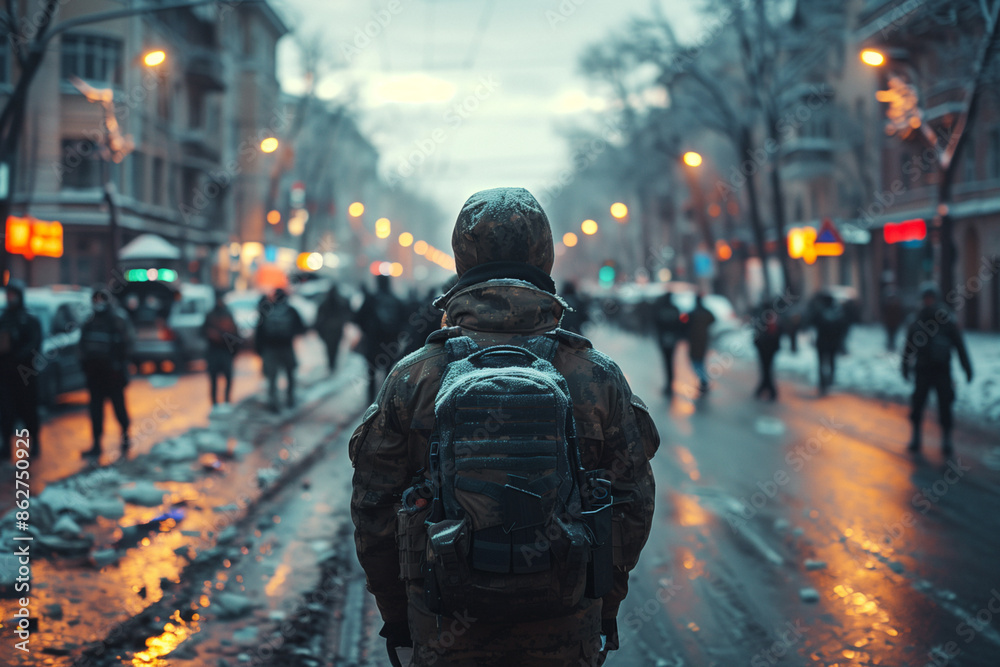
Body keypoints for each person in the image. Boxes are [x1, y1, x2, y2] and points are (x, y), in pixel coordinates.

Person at [350, 187, 658, 667]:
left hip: (445, 630)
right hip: (565, 630)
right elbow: (632, 506)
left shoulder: (414, 375)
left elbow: (374, 512)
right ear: (545, 255)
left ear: (461, 259)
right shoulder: (595, 374)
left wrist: (401, 615)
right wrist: (602, 603)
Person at [901, 283, 973, 456]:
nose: (928, 302)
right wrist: (905, 366)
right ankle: (916, 437)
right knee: (918, 404)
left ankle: (946, 440)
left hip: (942, 370)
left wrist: (967, 367)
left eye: (931, 298)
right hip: (923, 370)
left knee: (945, 405)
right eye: (926, 299)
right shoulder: (917, 320)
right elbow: (908, 347)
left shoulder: (947, 319)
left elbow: (959, 345)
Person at [80, 289, 133, 458]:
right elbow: (82, 346)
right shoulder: (89, 321)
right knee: (96, 411)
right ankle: (96, 444)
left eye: (101, 299)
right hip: (95, 375)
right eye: (95, 299)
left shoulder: (117, 320)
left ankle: (125, 438)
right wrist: (86, 366)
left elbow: (128, 343)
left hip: (113, 375)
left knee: (119, 408)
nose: (98, 303)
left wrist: (118, 365)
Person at [0, 280, 43, 459]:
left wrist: (20, 355)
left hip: (24, 374)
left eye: (14, 295)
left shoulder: (29, 320)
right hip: (5, 373)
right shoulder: (4, 318)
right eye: (9, 295)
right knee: (6, 412)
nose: (11, 299)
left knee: (28, 410)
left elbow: (35, 344)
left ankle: (34, 442)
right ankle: (6, 448)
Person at [353, 274, 406, 403]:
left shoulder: (371, 300)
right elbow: (405, 321)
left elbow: (357, 318)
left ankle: (370, 403)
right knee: (389, 375)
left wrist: (368, 331)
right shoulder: (396, 300)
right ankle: (385, 402)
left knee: (371, 375)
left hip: (373, 343)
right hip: (390, 343)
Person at [255, 288, 305, 412]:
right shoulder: (291, 310)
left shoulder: (266, 310)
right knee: (290, 375)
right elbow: (302, 328)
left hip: (270, 349)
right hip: (286, 347)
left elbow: (259, 331)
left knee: (272, 378)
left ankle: (273, 402)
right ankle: (290, 399)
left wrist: (259, 349)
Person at [202, 291, 238, 406]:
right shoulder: (212, 314)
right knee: (214, 379)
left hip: (224, 350)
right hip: (215, 350)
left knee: (226, 377)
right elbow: (203, 332)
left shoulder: (226, 314)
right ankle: (215, 403)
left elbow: (234, 334)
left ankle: (226, 400)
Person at [652, 291, 684, 396]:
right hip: (672, 339)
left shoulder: (660, 309)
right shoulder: (675, 309)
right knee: (671, 361)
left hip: (663, 340)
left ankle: (668, 384)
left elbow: (656, 325)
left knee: (666, 362)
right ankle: (671, 383)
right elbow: (680, 324)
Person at [811, 292, 844, 395]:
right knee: (831, 362)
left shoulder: (819, 311)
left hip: (822, 342)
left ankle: (822, 383)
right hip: (833, 343)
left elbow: (813, 323)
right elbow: (842, 327)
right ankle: (829, 380)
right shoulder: (837, 312)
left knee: (821, 363)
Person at [316, 285, 352, 372]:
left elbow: (319, 318)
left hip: (328, 330)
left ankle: (331, 364)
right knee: (334, 347)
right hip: (336, 329)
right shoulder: (340, 302)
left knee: (330, 348)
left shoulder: (324, 303)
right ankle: (332, 364)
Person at [752, 300, 781, 401]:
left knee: (765, 369)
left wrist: (757, 342)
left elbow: (758, 333)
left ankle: (768, 389)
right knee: (767, 368)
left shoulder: (762, 317)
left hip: (764, 347)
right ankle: (766, 388)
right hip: (770, 347)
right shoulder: (774, 316)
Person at [687, 294, 715, 394]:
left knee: (696, 362)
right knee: (701, 361)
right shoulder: (705, 312)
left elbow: (685, 323)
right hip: (703, 339)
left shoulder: (692, 313)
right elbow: (713, 319)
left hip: (694, 340)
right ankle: (703, 380)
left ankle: (703, 380)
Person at [882, 288, 904, 352]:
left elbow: (900, 314)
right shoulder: (887, 306)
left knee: (893, 335)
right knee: (890, 335)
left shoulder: (897, 306)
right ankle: (890, 346)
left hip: (894, 323)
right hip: (889, 323)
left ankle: (892, 346)